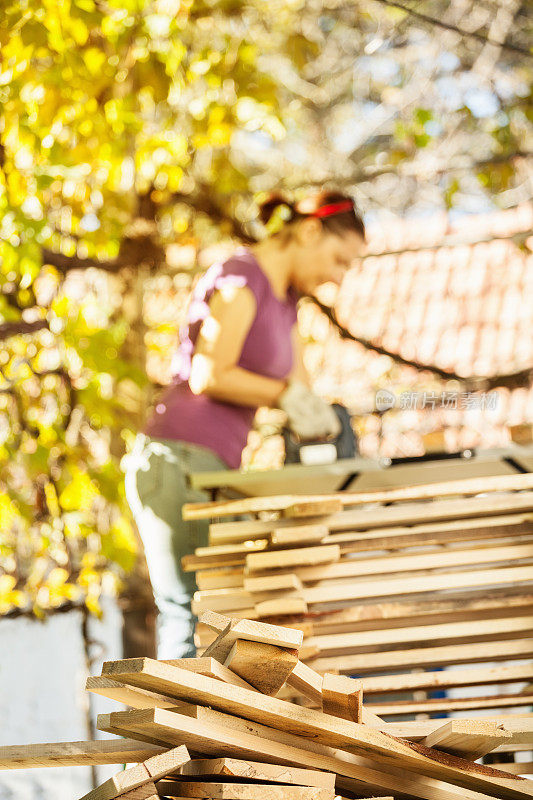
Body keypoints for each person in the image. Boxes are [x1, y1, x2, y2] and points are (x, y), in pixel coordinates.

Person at [124, 190, 366, 658]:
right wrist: (284, 396)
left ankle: (206, 729)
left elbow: (302, 390)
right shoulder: (241, 277)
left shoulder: (285, 301)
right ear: (310, 231)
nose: (336, 277)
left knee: (228, 610)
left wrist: (322, 421)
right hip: (175, 460)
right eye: (338, 260)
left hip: (213, 468)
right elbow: (208, 374)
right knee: (192, 611)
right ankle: (180, 731)